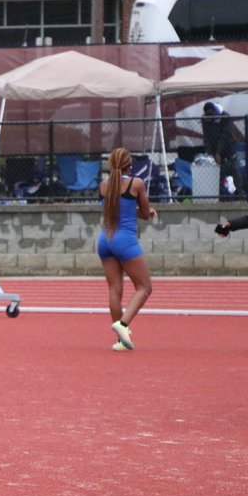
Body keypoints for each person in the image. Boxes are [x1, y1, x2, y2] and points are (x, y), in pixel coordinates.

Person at [97, 147, 156, 351]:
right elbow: (145, 212)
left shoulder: (104, 186)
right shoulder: (136, 183)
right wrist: (149, 213)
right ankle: (122, 325)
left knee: (115, 290)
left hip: (105, 239)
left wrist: (141, 212)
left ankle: (120, 340)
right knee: (144, 287)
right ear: (129, 165)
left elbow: (117, 209)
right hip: (125, 240)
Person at [201, 101, 241, 197]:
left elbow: (225, 136)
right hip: (214, 151)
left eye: (211, 113)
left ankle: (240, 193)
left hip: (229, 149)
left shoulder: (225, 116)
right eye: (207, 114)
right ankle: (220, 194)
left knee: (235, 170)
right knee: (217, 173)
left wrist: (218, 152)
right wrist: (211, 154)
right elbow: (207, 138)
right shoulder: (205, 119)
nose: (210, 116)